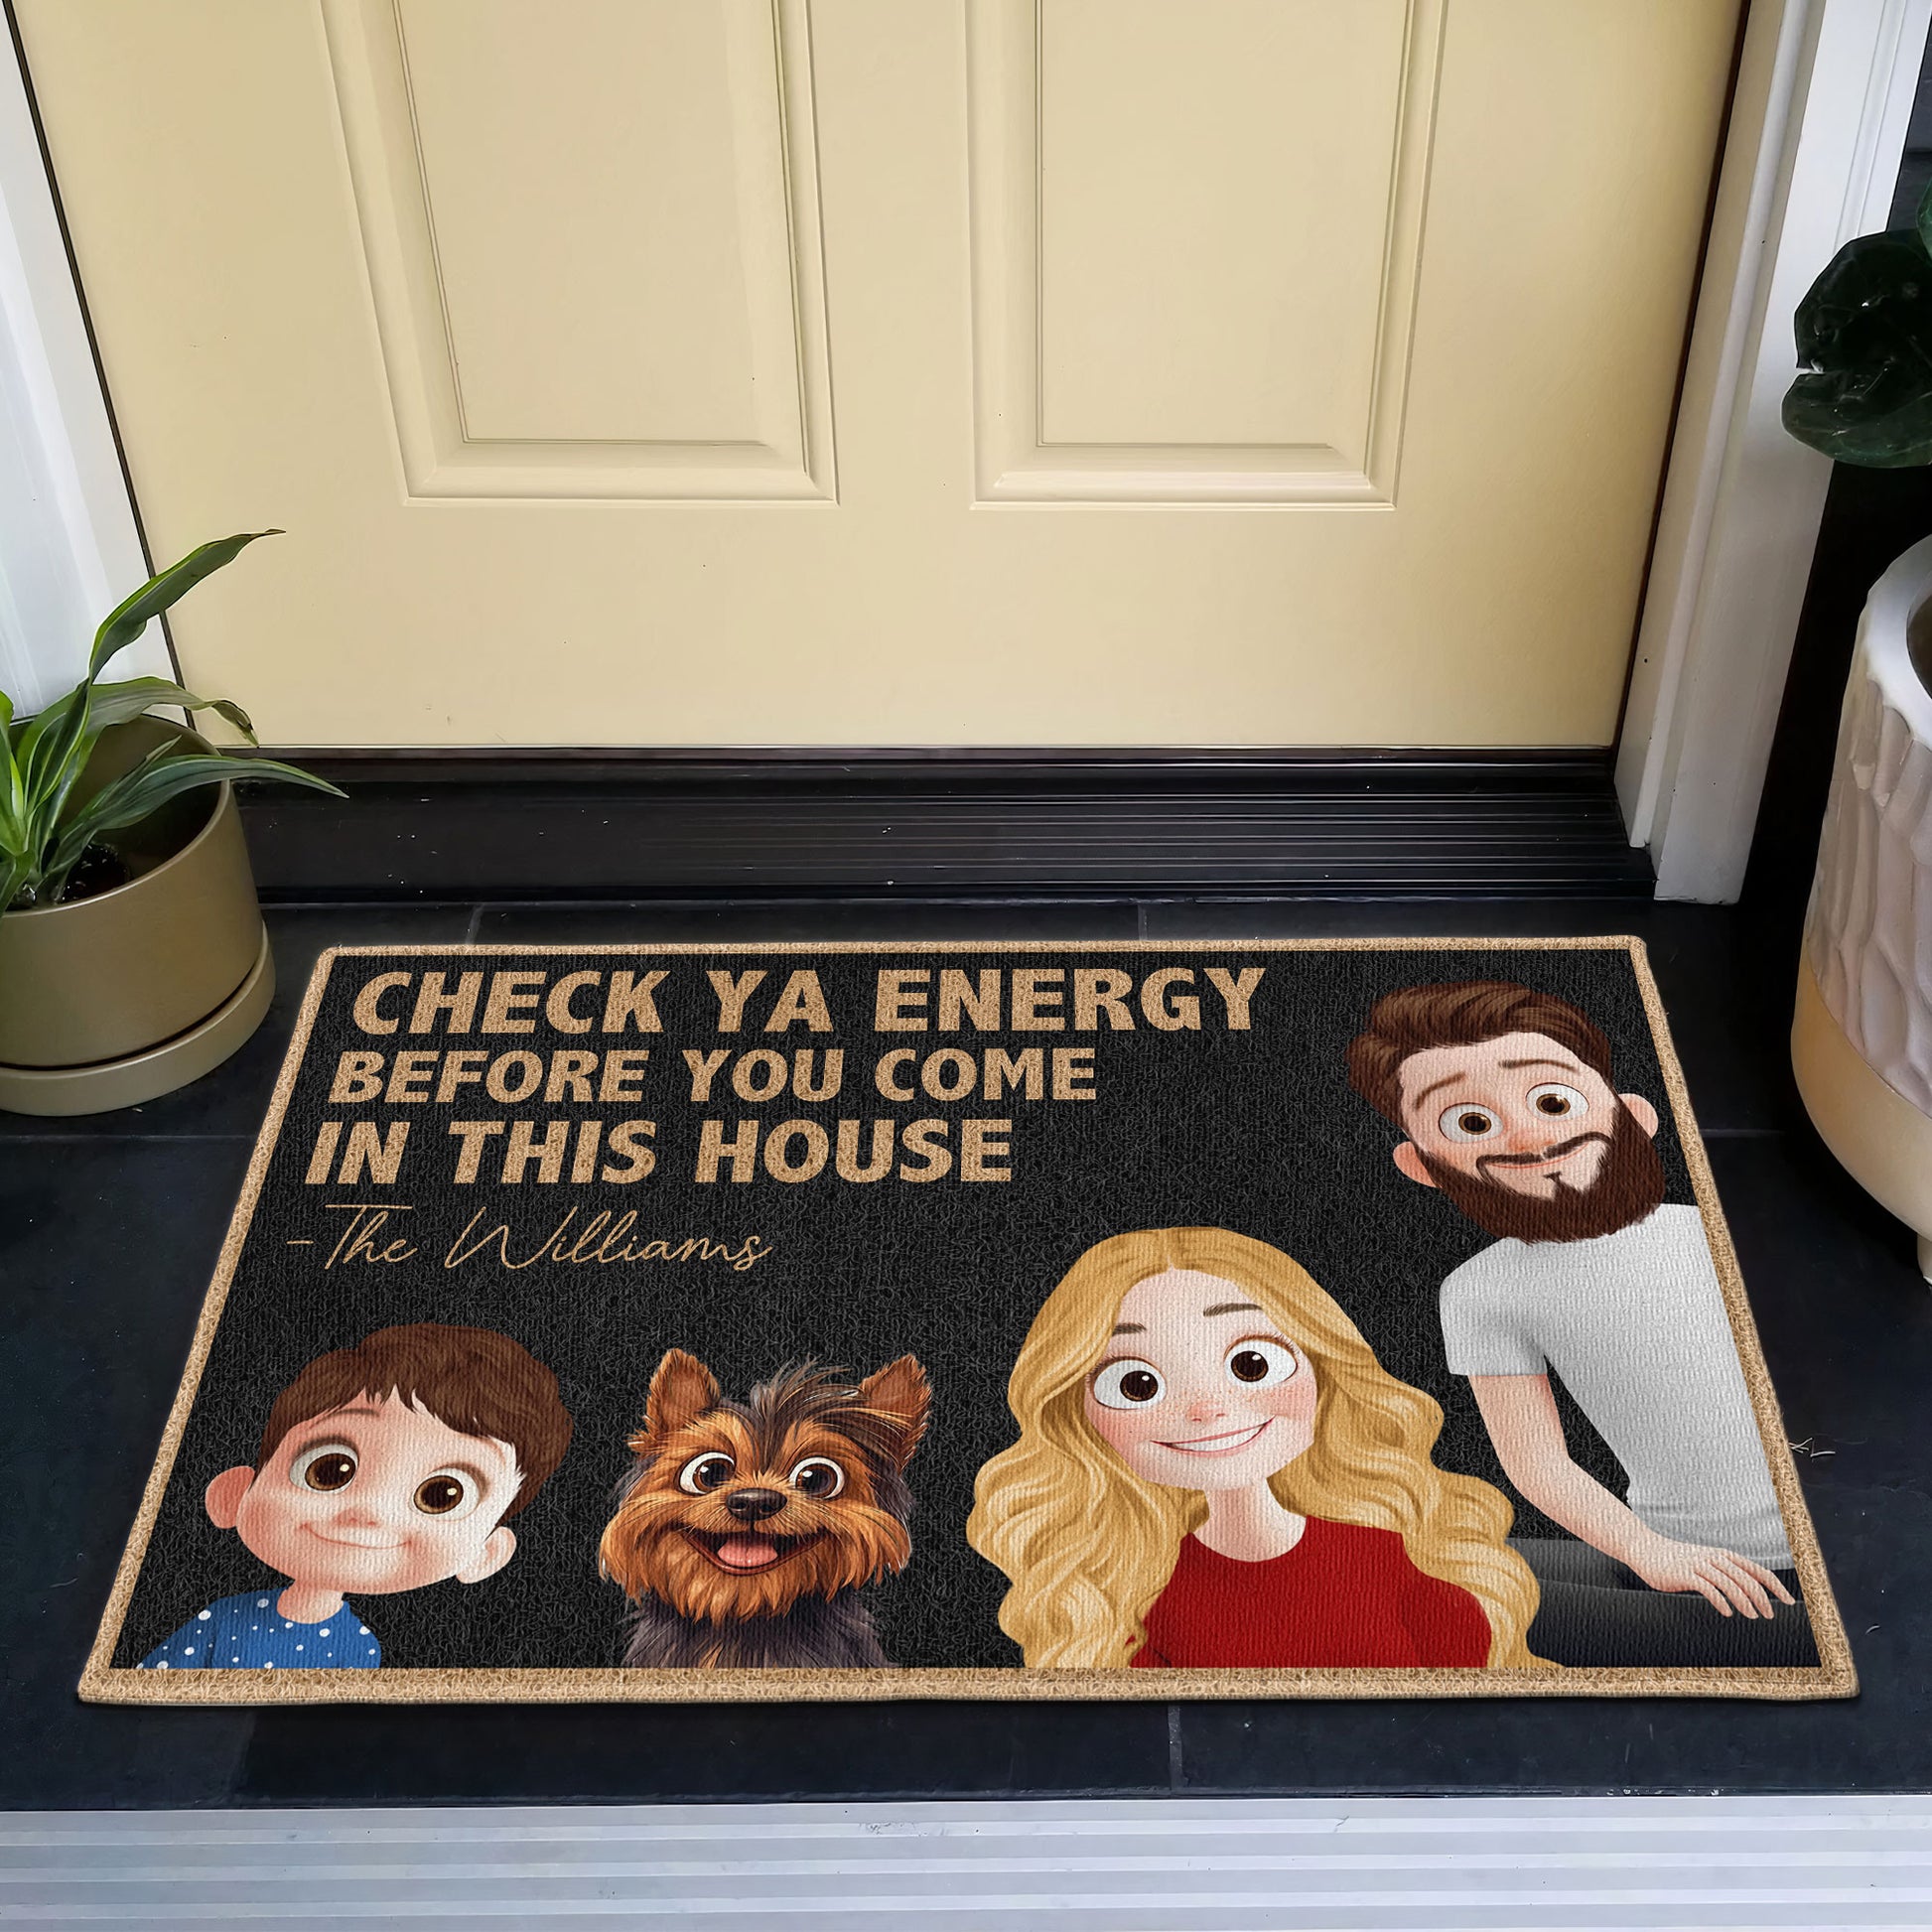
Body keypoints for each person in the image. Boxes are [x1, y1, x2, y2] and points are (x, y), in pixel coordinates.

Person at [1346, 978, 1815, 1667]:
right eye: (1470, 1122)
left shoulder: (1716, 1233)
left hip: (1815, 1564)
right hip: (1666, 1560)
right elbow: (1536, 1461)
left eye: (1553, 1101)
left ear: (1635, 1115)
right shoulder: (1481, 1289)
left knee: (1422, 1602)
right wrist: (1651, 1553)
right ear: (1423, 1166)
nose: (1530, 1134)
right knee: (1398, 1567)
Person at [966, 1227, 1545, 1671]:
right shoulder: (1120, 1600)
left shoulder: (1396, 1556)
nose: (1207, 1410)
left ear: (1322, 1368)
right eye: (1137, 1384)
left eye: (1252, 1364)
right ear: (1079, 1418)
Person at [138, 1322, 573, 1671]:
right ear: (233, 1494)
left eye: (440, 1496)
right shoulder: (224, 1617)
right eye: (328, 1471)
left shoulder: (358, 1649)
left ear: (486, 1554)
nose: (370, 1511)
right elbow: (155, 1680)